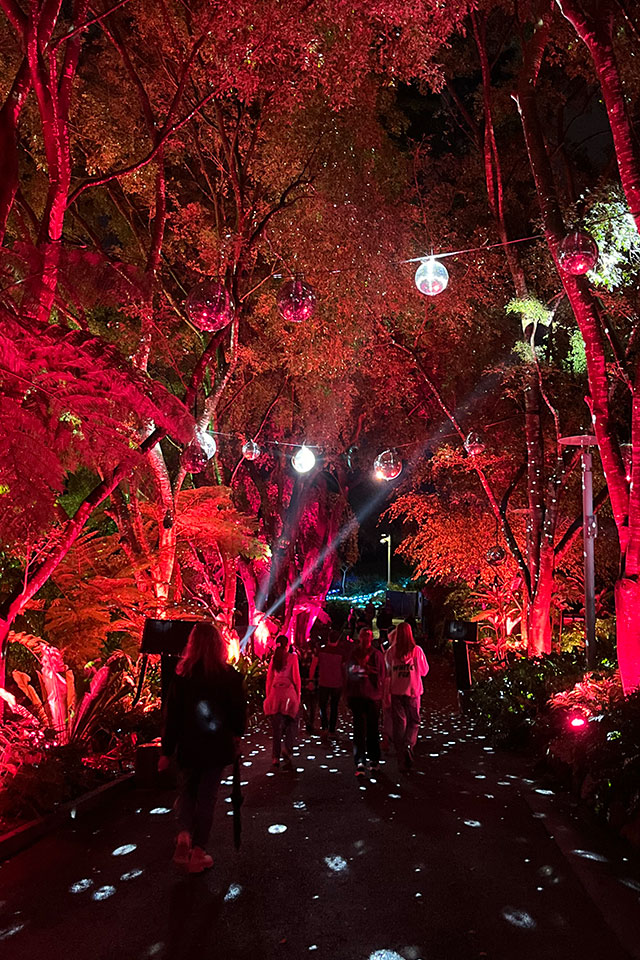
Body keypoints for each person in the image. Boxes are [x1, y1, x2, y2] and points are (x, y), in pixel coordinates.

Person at [159, 622, 246, 873]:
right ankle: (198, 852)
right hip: (216, 745)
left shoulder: (182, 676)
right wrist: (237, 734)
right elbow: (238, 714)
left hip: (189, 744)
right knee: (207, 796)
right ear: (219, 645)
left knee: (188, 791)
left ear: (192, 644)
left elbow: (172, 716)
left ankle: (185, 833)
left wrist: (166, 751)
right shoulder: (229, 676)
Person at [385, 621, 429, 772]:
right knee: (414, 721)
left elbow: (388, 672)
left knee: (399, 723)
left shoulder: (391, 652)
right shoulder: (417, 651)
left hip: (396, 691)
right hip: (413, 690)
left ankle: (400, 756)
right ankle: (408, 745)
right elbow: (424, 671)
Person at [345, 627, 385, 775]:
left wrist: (362, 669)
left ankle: (373, 759)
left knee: (372, 729)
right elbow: (350, 672)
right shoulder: (355, 654)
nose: (365, 639)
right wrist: (367, 670)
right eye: (363, 636)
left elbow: (380, 675)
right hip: (359, 695)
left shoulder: (376, 655)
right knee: (359, 729)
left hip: (371, 696)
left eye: (367, 636)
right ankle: (361, 761)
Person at [264, 635, 301, 769]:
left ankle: (275, 757)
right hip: (288, 693)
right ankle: (287, 748)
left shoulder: (274, 659)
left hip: (275, 693)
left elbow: (269, 679)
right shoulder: (293, 658)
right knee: (293, 720)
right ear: (287, 645)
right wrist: (298, 696)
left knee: (276, 728)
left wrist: (269, 697)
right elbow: (296, 678)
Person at [309, 629, 345, 742]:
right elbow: (344, 668)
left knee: (323, 706)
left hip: (323, 682)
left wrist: (310, 680)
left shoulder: (321, 651)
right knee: (334, 706)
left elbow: (313, 665)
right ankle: (332, 730)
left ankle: (324, 727)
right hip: (337, 683)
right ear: (338, 640)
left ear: (328, 638)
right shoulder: (341, 652)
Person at [298, 638, 318, 734]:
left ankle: (307, 722)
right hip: (313, 681)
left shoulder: (302, 654)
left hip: (304, 681)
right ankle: (311, 723)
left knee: (305, 703)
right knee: (313, 704)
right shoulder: (315, 653)